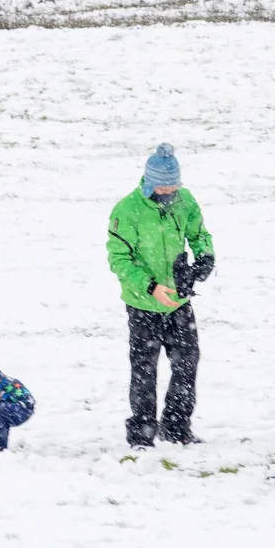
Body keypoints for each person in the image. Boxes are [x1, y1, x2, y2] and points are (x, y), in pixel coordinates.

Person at [107, 142, 215, 448]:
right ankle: (142, 432)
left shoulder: (186, 200)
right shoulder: (126, 211)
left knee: (186, 364)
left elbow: (199, 235)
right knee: (144, 369)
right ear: (150, 183)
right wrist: (151, 286)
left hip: (179, 303)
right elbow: (119, 259)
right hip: (142, 304)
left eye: (175, 186)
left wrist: (205, 258)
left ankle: (177, 426)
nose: (170, 192)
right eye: (165, 187)